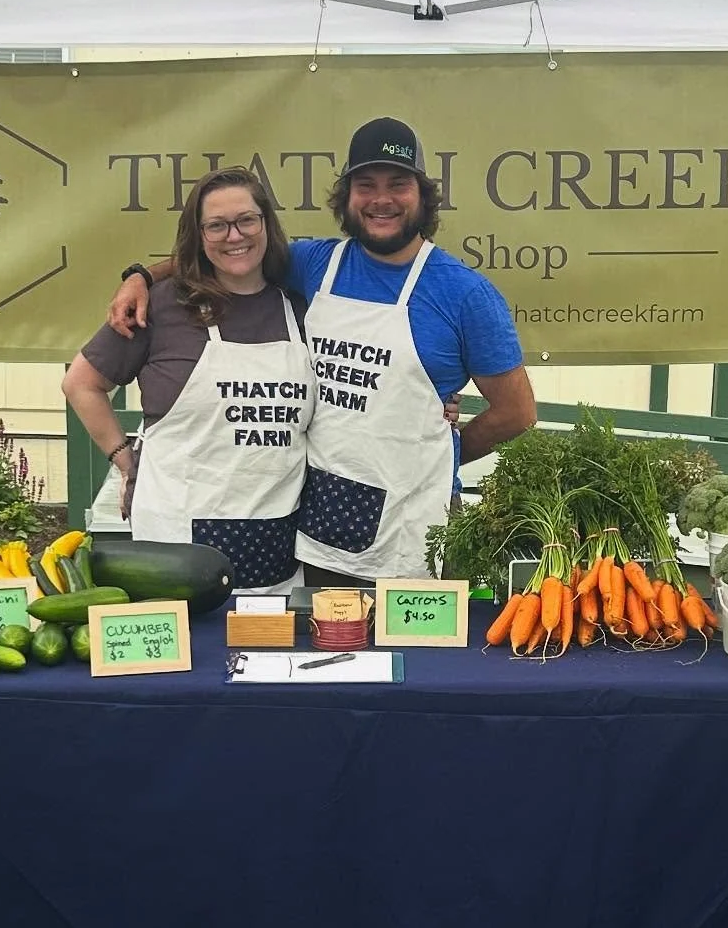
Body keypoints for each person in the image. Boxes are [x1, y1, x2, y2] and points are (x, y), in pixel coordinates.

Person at [105, 118, 536, 583]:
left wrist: (445, 450)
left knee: (416, 654)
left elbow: (517, 411)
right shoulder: (313, 264)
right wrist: (143, 277)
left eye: (398, 184)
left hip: (413, 523)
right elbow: (230, 251)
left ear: (423, 195)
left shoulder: (465, 294)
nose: (381, 199)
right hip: (318, 520)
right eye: (365, 185)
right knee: (322, 646)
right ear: (347, 198)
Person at [64, 166, 312, 592]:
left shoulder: (299, 305)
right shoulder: (162, 306)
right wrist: (126, 460)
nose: (235, 236)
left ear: (266, 223)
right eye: (217, 225)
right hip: (175, 541)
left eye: (247, 220)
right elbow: (81, 383)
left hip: (278, 540)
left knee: (271, 651)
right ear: (198, 236)